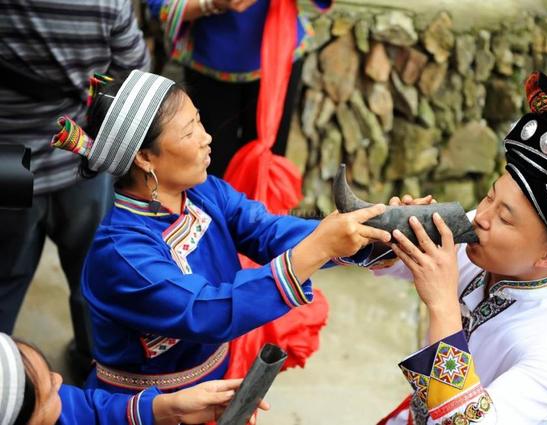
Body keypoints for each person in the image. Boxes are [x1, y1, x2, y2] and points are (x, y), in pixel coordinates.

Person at [50, 69, 391, 395]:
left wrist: (377, 232)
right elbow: (206, 311)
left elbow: (267, 231)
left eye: (198, 120)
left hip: (218, 383)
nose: (207, 137)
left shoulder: (204, 193)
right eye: (188, 132)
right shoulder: (122, 254)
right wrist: (317, 248)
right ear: (144, 158)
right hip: (152, 408)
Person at [375, 72, 547, 425]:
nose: (481, 217)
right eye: (490, 196)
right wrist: (390, 231)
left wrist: (443, 304)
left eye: (505, 218)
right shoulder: (481, 231)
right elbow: (395, 258)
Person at [0, 0, 150, 380]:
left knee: (5, 281)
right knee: (93, 280)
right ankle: (94, 365)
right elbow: (135, 75)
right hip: (81, 164)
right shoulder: (107, 4)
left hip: (10, 169)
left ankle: (4, 383)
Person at [145, 0, 331, 177]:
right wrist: (211, 3)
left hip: (278, 57)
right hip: (211, 65)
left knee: (267, 165)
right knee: (211, 167)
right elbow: (161, 6)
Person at [0, 332, 268, 425]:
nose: (59, 379)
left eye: (49, 373)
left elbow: (87, 412)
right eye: (47, 397)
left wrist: (167, 407)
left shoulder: (59, 404)